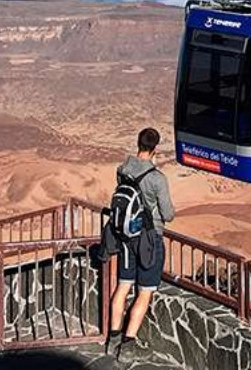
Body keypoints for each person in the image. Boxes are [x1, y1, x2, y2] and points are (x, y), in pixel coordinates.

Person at [107, 127, 175, 362]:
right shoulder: (157, 178)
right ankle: (127, 346)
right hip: (149, 239)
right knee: (144, 292)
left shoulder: (123, 169)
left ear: (138, 144)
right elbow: (167, 214)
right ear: (156, 148)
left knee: (123, 286)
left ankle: (112, 339)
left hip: (126, 238)